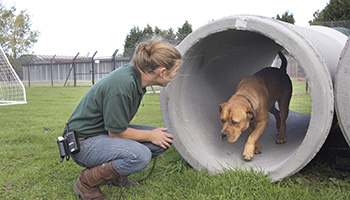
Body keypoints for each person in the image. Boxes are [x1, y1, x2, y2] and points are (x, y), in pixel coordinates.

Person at [62, 38, 182, 200]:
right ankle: (86, 183)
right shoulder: (123, 85)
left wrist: (154, 136)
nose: (175, 75)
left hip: (100, 133)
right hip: (83, 143)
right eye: (175, 70)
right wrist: (151, 135)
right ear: (161, 71)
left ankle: (116, 177)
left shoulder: (136, 78)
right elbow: (116, 133)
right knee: (140, 155)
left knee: (164, 139)